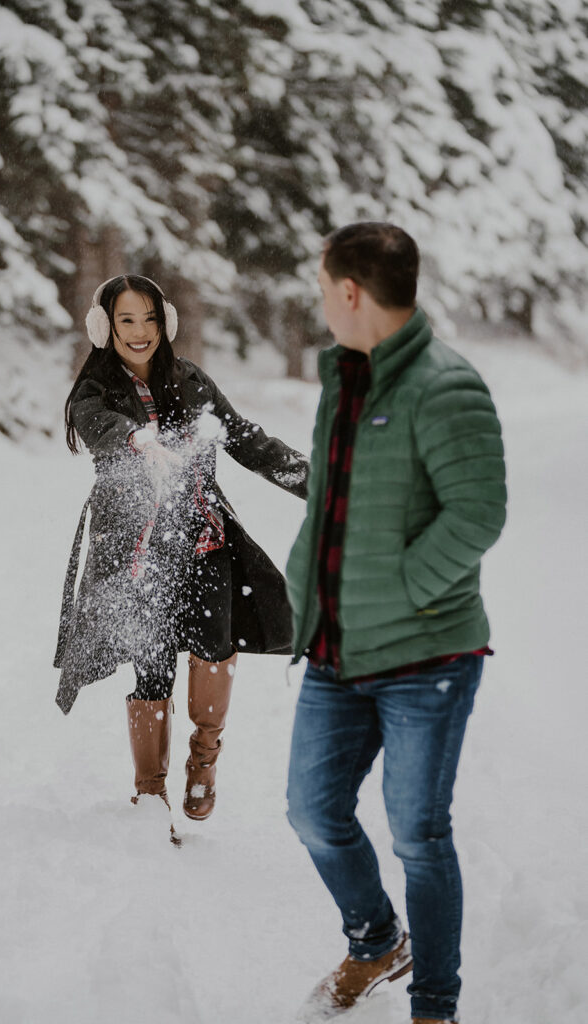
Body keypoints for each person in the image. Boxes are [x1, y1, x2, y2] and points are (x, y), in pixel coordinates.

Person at [285, 223, 506, 1022]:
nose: (321, 304)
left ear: (349, 291)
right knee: (312, 811)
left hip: (427, 656)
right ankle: (377, 940)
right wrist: (303, 592)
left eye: (322, 289)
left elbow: (477, 514)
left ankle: (433, 1004)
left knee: (418, 835)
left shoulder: (445, 385)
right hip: (337, 650)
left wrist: (402, 589)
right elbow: (332, 505)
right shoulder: (343, 380)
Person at [54, 274, 308, 842]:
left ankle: (204, 758)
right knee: (152, 665)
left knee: (214, 647)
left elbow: (247, 440)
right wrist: (137, 440)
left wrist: (321, 485)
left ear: (163, 322)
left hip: (204, 547)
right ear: (105, 328)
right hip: (139, 558)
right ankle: (150, 790)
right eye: (125, 321)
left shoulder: (191, 381)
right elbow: (93, 424)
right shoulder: (95, 391)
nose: (139, 332)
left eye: (148, 318)